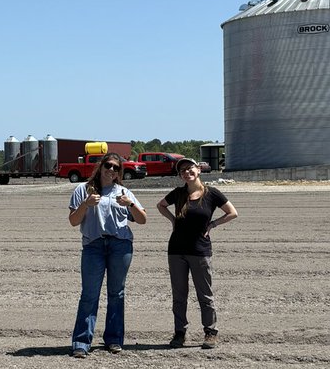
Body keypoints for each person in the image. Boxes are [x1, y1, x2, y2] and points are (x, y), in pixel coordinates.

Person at [68, 153, 146, 357]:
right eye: (108, 165)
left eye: (116, 167)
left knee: (116, 294)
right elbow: (74, 221)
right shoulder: (83, 190)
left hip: (120, 246)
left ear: (119, 172)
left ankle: (114, 339)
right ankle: (81, 342)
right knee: (89, 295)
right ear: (100, 166)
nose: (111, 170)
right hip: (93, 245)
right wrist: (85, 204)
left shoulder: (124, 191)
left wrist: (129, 204)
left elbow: (142, 219)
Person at [157, 157, 238, 349]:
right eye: (182, 170)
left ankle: (210, 332)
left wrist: (213, 224)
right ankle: (179, 333)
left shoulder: (212, 194)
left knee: (205, 295)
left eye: (190, 168)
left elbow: (232, 212)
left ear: (198, 170)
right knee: (179, 295)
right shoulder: (178, 194)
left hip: (200, 251)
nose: (187, 172)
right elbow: (160, 205)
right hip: (176, 251)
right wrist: (172, 220)